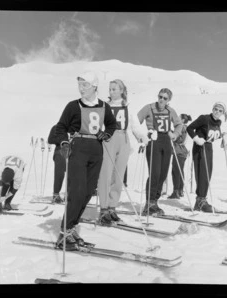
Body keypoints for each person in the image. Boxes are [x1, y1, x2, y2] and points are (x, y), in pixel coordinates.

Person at [54, 71, 117, 250]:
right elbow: (60, 128)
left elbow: (112, 124)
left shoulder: (104, 106)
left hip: (96, 150)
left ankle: (72, 227)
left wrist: (108, 133)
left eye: (85, 85)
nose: (81, 88)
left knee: (88, 192)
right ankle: (64, 233)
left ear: (94, 86)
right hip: (79, 148)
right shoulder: (73, 106)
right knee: (77, 192)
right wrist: (64, 142)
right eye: (80, 84)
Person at [97, 79, 149, 225]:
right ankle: (103, 209)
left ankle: (112, 207)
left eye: (114, 89)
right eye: (110, 89)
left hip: (123, 139)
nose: (111, 92)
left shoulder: (127, 106)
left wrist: (141, 136)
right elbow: (98, 124)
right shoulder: (104, 106)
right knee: (105, 175)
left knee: (118, 176)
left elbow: (134, 125)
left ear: (121, 90)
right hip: (109, 139)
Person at [137, 88, 183, 216]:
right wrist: (143, 136)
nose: (161, 100)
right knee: (155, 173)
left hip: (166, 141)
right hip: (154, 140)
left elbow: (179, 124)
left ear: (169, 100)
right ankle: (149, 203)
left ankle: (154, 202)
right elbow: (136, 121)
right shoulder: (149, 108)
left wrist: (175, 134)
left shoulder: (170, 111)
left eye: (165, 98)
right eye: (160, 97)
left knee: (163, 174)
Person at [186, 102, 227, 212]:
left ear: (223, 113)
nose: (217, 112)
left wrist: (222, 137)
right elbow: (189, 128)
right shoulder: (204, 118)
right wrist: (196, 139)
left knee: (208, 174)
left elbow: (213, 135)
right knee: (202, 174)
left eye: (220, 110)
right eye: (216, 109)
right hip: (200, 147)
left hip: (209, 148)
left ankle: (201, 200)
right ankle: (200, 201)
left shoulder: (218, 122)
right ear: (212, 109)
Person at [168, 114, 192, 199]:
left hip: (179, 151)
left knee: (176, 171)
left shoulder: (181, 127)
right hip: (182, 152)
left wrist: (170, 133)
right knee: (180, 171)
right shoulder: (185, 127)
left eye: (179, 117)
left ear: (182, 120)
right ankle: (180, 190)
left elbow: (179, 139)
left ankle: (176, 191)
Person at [47, 124, 66, 204]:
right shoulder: (57, 127)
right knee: (59, 174)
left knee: (73, 175)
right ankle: (56, 195)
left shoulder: (75, 128)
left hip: (73, 152)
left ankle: (69, 195)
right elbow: (50, 140)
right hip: (60, 151)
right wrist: (62, 140)